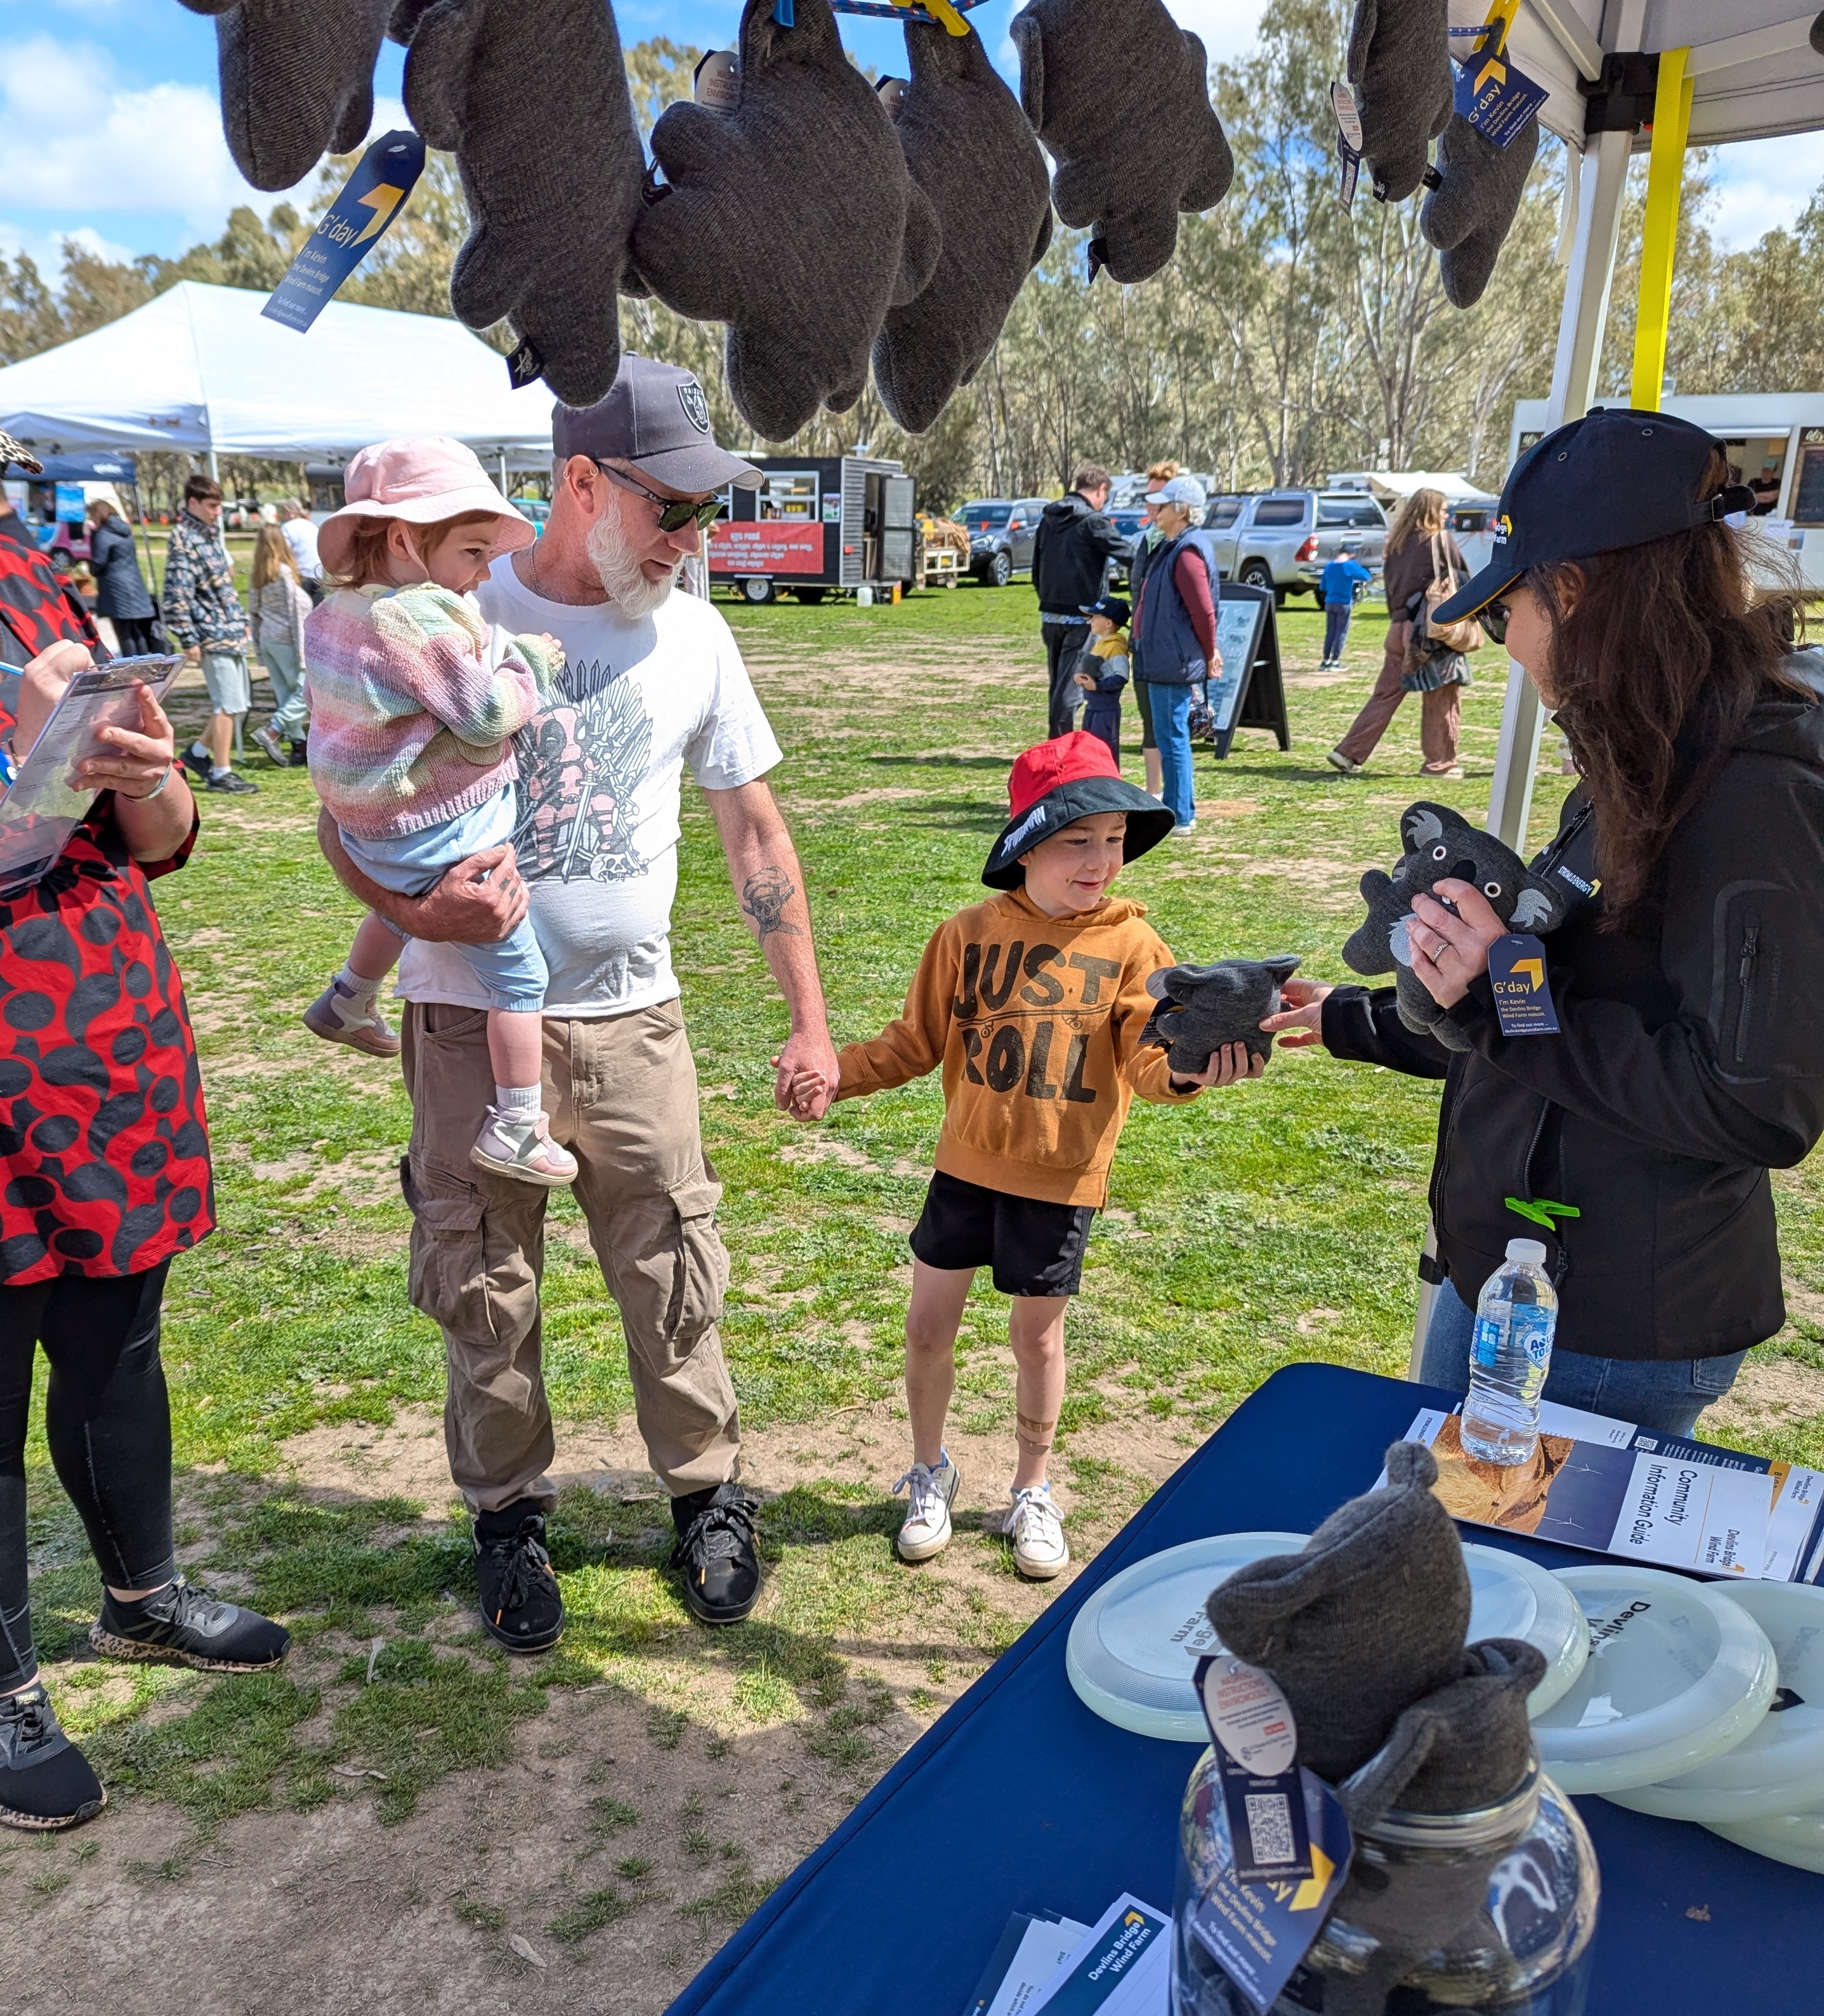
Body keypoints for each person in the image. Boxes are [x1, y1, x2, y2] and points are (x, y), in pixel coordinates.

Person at [317, 357, 841, 1644]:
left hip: (636, 1022)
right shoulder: (445, 604)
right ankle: (508, 1520)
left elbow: (756, 834)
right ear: (584, 484)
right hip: (464, 1023)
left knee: (672, 1267)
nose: (691, 537)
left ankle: (707, 1495)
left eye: (708, 511)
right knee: (483, 1284)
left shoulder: (696, 634)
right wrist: (414, 916)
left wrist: (810, 1018)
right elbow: (345, 808)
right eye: (674, 507)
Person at [1264, 409, 1824, 1436]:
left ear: (1570, 592)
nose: (1506, 645)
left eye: (1504, 613)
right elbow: (1551, 994)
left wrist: (1493, 994)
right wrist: (1357, 1013)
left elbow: (1754, 1104)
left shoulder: (1747, 785)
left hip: (1600, 1333)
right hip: (1516, 1283)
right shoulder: (1645, 748)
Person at [794, 733, 1258, 1580]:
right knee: (925, 1328)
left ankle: (1031, 1488)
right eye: (1077, 840)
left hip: (1059, 1181)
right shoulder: (965, 934)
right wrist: (836, 1075)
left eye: (1113, 840)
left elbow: (1148, 1062)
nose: (1100, 860)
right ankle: (928, 1472)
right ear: (1026, 845)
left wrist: (1191, 1069)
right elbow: (913, 1042)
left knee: (1035, 1340)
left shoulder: (1133, 947)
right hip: (965, 1169)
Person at [0, 629, 291, 1833]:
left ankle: (142, 1598)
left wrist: (146, 772)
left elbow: (163, 839)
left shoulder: (29, 597)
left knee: (117, 1352)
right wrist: (34, 765)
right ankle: (5, 1692)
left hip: (110, 1059)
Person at [301, 439, 577, 1188]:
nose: (483, 573)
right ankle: (517, 1125)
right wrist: (528, 664)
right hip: (437, 828)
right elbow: (485, 713)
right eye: (473, 552)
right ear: (403, 540)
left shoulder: (333, 614)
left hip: (371, 827)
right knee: (520, 979)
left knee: (399, 905)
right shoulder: (416, 616)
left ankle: (348, 997)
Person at [1328, 488, 1466, 780]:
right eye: (1443, 510)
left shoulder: (1397, 544)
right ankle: (1440, 763)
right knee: (1442, 695)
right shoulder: (1440, 540)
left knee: (1386, 694)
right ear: (1431, 511)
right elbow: (1464, 581)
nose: (1446, 515)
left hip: (1398, 628)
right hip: (1430, 630)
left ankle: (1349, 752)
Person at [162, 474, 258, 795]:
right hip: (211, 634)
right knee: (227, 705)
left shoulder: (209, 535)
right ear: (193, 503)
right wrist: (187, 638)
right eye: (212, 505)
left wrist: (240, 620)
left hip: (229, 631)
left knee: (238, 704)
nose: (218, 512)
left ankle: (198, 755)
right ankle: (221, 773)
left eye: (219, 506)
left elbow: (224, 588)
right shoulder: (184, 539)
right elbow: (177, 594)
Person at [1131, 474, 1216, 834]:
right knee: (1167, 736)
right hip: (1162, 657)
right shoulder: (1171, 546)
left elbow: (1203, 611)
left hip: (1173, 660)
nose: (1155, 510)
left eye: (1162, 505)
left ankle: (1181, 814)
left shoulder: (1187, 552)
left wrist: (1210, 653)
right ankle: (1176, 807)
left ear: (1182, 510)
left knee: (1173, 737)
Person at [1032, 463, 1125, 738]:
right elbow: (1128, 553)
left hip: (1051, 615)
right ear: (1101, 489)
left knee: (1060, 686)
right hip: (1082, 618)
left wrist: (1047, 597)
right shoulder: (1093, 522)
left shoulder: (1049, 520)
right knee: (1071, 689)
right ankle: (1060, 747)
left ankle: (1057, 742)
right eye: (1105, 497)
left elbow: (1036, 568)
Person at [1125, 461, 1180, 797]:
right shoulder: (1147, 540)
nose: (1151, 504)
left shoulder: (1181, 544)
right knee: (1148, 718)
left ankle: (1176, 795)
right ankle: (1153, 792)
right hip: (1142, 643)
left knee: (1169, 723)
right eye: (1148, 497)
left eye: (1158, 497)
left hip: (1169, 649)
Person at [246, 524, 313, 768]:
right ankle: (272, 730)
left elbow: (254, 612)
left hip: (268, 638)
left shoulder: (258, 575)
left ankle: (299, 746)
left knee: (285, 693)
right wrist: (302, 650)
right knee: (306, 690)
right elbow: (296, 614)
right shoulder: (284, 573)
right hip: (286, 640)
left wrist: (258, 645)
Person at [84, 499, 160, 657]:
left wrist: (88, 565)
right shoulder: (125, 530)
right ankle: (144, 662)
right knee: (136, 630)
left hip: (116, 589)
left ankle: (130, 665)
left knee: (124, 632)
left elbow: (98, 563)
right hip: (134, 584)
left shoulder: (102, 534)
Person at [1072, 592, 1130, 762]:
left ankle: (1108, 778)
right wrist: (1080, 678)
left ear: (1109, 623)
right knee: (1090, 749)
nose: (1091, 620)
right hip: (1093, 707)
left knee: (1105, 750)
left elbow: (1121, 677)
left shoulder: (1116, 647)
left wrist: (1097, 687)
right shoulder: (1100, 644)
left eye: (1096, 617)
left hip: (1106, 710)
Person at [1318, 543, 1372, 670]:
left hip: (1330, 602)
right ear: (1352, 555)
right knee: (1341, 632)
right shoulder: (1350, 565)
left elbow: (1323, 587)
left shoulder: (1329, 566)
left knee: (1330, 632)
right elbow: (1366, 576)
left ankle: (1325, 661)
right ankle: (1335, 662)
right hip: (1343, 603)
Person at [280, 499, 324, 603]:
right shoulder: (312, 526)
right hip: (317, 574)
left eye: (283, 512)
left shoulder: (286, 528)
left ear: (290, 512)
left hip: (300, 575)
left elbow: (284, 553)